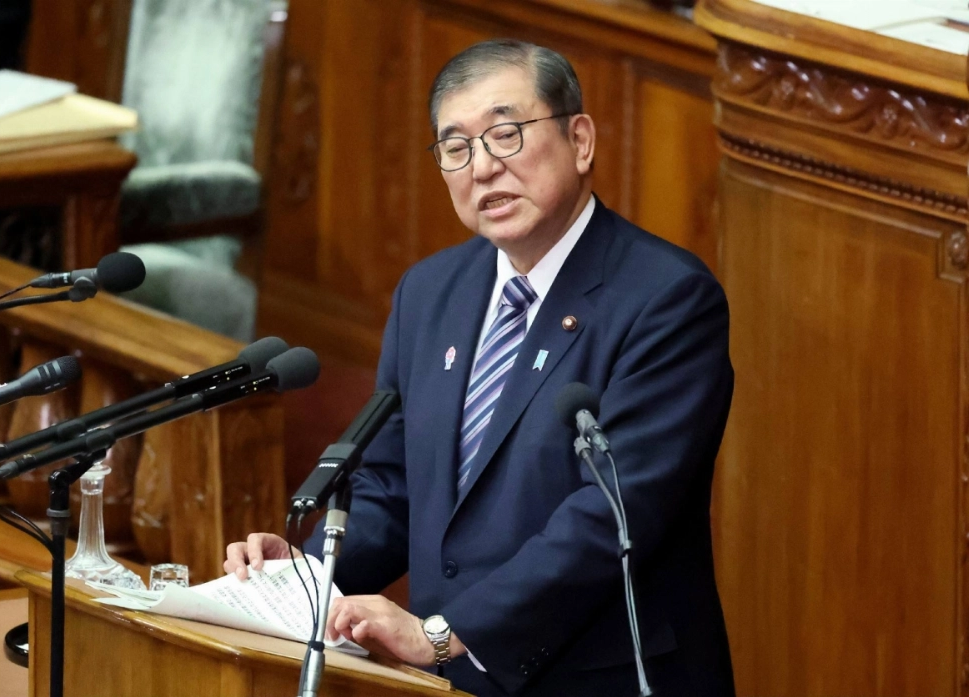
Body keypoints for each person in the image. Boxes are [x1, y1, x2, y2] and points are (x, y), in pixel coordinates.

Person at [226, 39, 735, 697]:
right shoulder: (430, 291)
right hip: (448, 677)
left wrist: (444, 630)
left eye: (506, 134)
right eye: (457, 148)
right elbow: (391, 482)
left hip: (597, 676)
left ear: (580, 140)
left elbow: (613, 512)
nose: (484, 167)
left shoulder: (666, 297)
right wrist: (309, 570)